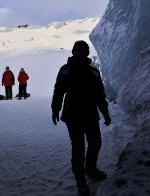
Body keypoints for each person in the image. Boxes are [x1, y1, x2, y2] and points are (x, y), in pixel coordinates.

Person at [51, 40, 111, 196]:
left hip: (90, 114)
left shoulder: (94, 72)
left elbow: (100, 95)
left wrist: (105, 113)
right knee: (78, 147)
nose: (80, 51)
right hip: (72, 115)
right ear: (73, 52)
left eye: (83, 49)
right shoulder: (66, 70)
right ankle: (80, 179)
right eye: (77, 49)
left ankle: (90, 169)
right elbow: (58, 91)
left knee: (95, 142)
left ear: (87, 52)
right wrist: (55, 109)